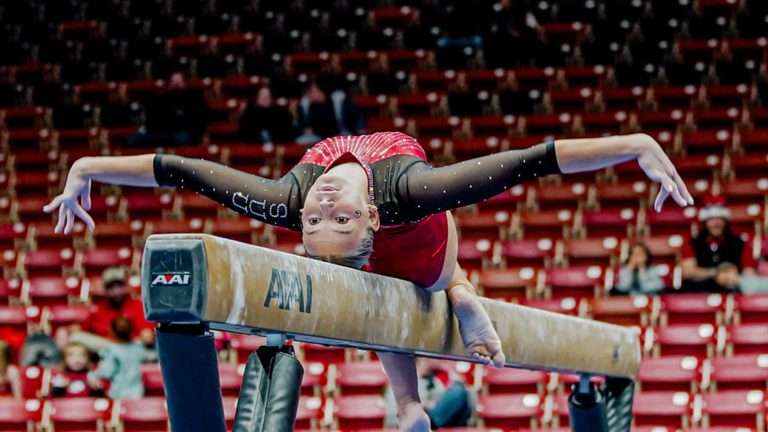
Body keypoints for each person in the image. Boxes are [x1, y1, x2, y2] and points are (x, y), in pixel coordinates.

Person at [44, 132, 692, 430]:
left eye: (326, 215)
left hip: (413, 252)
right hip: (406, 245)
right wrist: (627, 145)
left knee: (404, 290)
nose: (322, 201)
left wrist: (86, 167)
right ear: (369, 217)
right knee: (388, 295)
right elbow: (529, 163)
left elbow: (179, 168)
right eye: (328, 214)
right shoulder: (391, 195)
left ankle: (457, 297)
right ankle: (423, 368)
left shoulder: (292, 195)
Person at [682, 196, 757, 293]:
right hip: (699, 292)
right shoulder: (692, 243)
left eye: (720, 219)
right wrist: (717, 272)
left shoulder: (740, 244)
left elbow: (749, 275)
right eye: (711, 219)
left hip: (732, 291)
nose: (716, 223)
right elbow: (688, 272)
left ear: (726, 221)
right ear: (704, 222)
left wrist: (731, 278)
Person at [385, 358, 473, 429]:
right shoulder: (402, 382)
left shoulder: (436, 382)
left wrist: (451, 371)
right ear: (422, 357)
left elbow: (444, 408)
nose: (440, 356)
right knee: (458, 391)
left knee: (460, 393)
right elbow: (393, 417)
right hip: (412, 426)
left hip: (434, 425)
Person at [127, 72, 210, 147]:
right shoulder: (160, 99)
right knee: (133, 139)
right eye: (174, 83)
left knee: (182, 137)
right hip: (161, 133)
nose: (177, 85)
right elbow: (152, 120)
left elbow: (198, 121)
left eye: (179, 83)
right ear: (169, 84)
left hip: (181, 134)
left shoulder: (193, 99)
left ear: (184, 83)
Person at [86, 267, 154, 345]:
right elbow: (85, 330)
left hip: (132, 347)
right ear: (104, 289)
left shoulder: (138, 306)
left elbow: (147, 336)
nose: (116, 291)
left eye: (120, 286)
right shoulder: (98, 309)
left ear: (127, 286)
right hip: (105, 349)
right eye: (110, 287)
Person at [90, 317, 147, 400]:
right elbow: (145, 356)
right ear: (131, 331)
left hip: (118, 393)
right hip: (137, 392)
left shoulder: (112, 350)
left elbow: (107, 372)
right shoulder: (138, 346)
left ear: (111, 331)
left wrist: (92, 375)